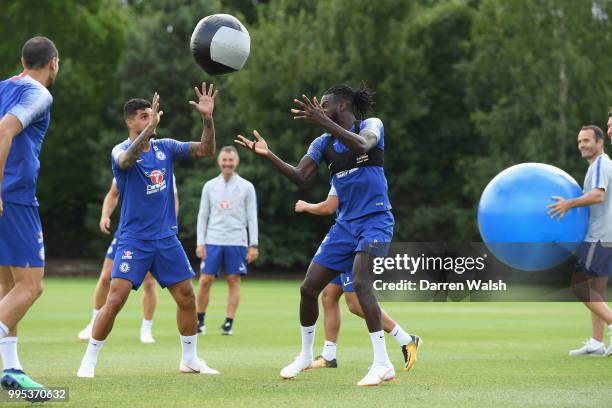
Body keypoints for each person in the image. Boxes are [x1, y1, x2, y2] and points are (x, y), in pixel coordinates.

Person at [236, 84, 420, 386]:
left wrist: (325, 123)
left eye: (325, 104)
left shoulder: (371, 126)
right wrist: (268, 155)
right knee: (308, 289)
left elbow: (363, 145)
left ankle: (382, 362)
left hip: (375, 220)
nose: (319, 109)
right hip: (344, 226)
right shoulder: (322, 143)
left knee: (361, 285)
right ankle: (307, 354)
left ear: (343, 106)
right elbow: (299, 175)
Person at [77, 83, 219, 378]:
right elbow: (126, 160)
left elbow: (206, 149)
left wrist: (207, 118)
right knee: (115, 300)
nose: (149, 118)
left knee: (186, 298)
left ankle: (190, 359)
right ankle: (89, 360)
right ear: (129, 121)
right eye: (142, 116)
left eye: (150, 114)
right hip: (134, 240)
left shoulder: (164, 147)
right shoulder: (120, 151)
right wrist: (148, 129)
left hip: (166, 239)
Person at [295, 186, 418, 370]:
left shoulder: (356, 169)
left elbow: (328, 207)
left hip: (355, 239)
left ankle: (406, 339)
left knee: (355, 304)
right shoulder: (339, 171)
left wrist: (306, 206)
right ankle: (329, 355)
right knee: (328, 295)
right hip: (344, 234)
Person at [0, 36, 59, 394]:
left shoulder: (4, 86)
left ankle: (12, 371)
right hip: (14, 198)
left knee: (7, 286)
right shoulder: (39, 93)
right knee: (31, 286)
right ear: (53, 62)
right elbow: (5, 130)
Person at [77, 175, 180, 343]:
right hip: (128, 233)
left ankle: (146, 329)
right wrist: (105, 215)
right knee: (105, 277)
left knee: (149, 282)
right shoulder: (126, 164)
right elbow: (113, 193)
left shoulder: (164, 165)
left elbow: (173, 199)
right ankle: (94, 323)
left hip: (153, 234)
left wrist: (170, 224)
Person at [548, 124, 612, 356]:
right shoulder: (601, 165)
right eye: (579, 142)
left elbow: (598, 195)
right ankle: (596, 343)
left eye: (586, 141)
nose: (582, 145)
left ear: (599, 142)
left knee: (578, 285)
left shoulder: (600, 164)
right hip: (605, 235)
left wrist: (568, 204)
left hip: (600, 236)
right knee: (597, 289)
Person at [195, 146, 258, 336]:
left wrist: (253, 244)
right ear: (219, 162)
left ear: (236, 162)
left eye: (231, 160)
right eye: (224, 160)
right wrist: (200, 242)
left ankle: (228, 323)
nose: (227, 164)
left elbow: (252, 216)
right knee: (205, 280)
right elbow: (202, 216)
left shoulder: (246, 187)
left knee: (233, 280)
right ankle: (200, 321)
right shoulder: (210, 186)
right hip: (213, 239)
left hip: (237, 240)